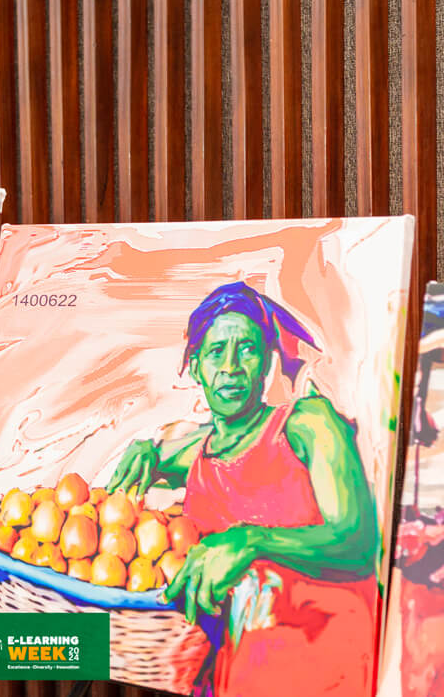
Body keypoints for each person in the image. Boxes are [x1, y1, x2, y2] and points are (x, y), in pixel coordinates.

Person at [107, 281, 378, 697]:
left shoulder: (307, 423)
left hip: (328, 673)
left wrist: (252, 541)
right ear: (196, 367)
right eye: (216, 352)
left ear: (266, 363)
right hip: (235, 677)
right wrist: (146, 449)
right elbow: (159, 452)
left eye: (247, 349)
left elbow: (358, 541)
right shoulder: (196, 452)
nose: (231, 367)